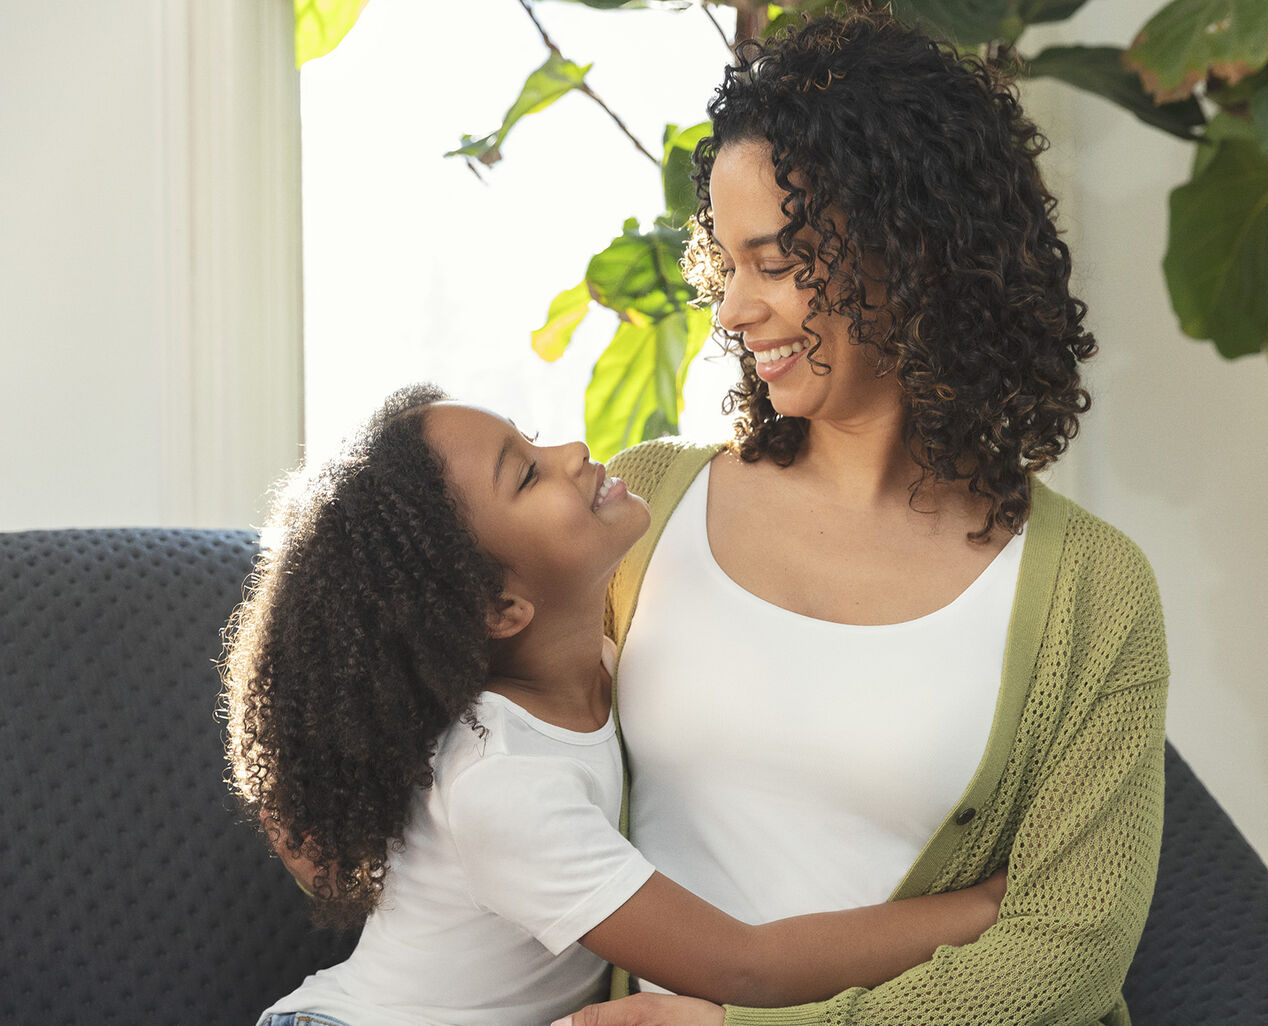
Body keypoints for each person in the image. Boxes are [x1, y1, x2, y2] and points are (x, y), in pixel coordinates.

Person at [566, 12, 1169, 1026]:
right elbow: (492, 759)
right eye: (728, 261)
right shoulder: (640, 507)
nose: (732, 308)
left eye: (778, 260)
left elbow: (1069, 952)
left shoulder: (1087, 589)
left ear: (913, 248)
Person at [220, 384, 1010, 1026]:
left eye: (532, 438)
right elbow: (743, 965)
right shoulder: (506, 785)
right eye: (525, 474)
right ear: (499, 610)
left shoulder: (617, 662)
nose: (571, 453)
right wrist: (983, 909)